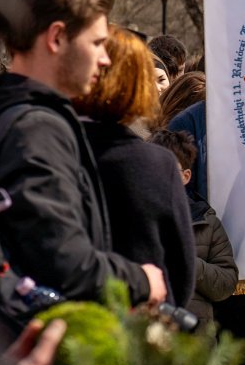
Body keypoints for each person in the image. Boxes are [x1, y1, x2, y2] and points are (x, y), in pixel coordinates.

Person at [0, 0, 167, 306]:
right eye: (97, 43)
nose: (105, 59)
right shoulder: (37, 127)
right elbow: (64, 262)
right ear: (56, 37)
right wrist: (142, 280)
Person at [72, 28, 196, 307]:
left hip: (73, 322)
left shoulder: (58, 151)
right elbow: (182, 268)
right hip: (145, 321)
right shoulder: (159, 164)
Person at [148, 129, 237, 333]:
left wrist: (187, 261)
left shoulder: (206, 222)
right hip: (147, 342)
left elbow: (226, 283)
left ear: (186, 176)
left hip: (195, 344)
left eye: (169, 170)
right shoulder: (135, 217)